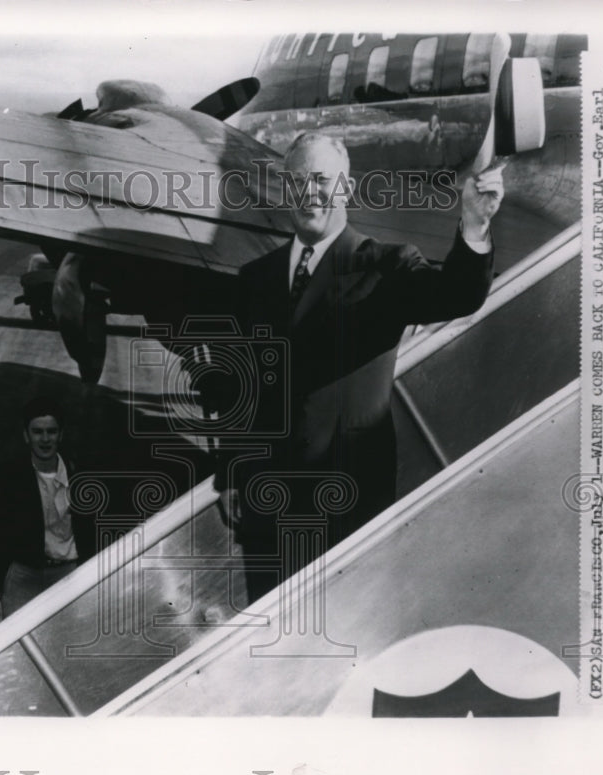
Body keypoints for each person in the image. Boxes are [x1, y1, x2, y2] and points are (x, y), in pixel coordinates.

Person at [212, 132, 504, 600]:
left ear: (345, 187)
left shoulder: (384, 268)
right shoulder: (255, 280)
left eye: (323, 180)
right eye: (297, 181)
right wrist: (229, 473)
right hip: (267, 514)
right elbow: (239, 387)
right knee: (279, 653)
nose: (309, 192)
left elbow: (458, 294)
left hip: (346, 511)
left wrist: (473, 224)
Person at [0, 397, 93, 624]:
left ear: (61, 435)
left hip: (68, 575)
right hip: (24, 576)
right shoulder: (10, 478)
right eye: (37, 432)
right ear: (26, 435)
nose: (45, 439)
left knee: (66, 644)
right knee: (14, 649)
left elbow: (94, 531)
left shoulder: (80, 476)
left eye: (51, 432)